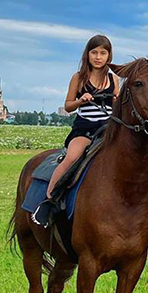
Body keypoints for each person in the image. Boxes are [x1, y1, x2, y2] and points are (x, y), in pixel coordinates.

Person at [33, 35, 119, 227]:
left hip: (108, 129)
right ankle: (49, 201)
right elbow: (68, 105)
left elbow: (118, 102)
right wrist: (81, 100)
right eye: (94, 52)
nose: (98, 57)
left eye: (102, 53)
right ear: (87, 54)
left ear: (108, 56)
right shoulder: (78, 78)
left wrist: (117, 102)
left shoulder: (113, 79)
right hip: (85, 128)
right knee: (72, 157)